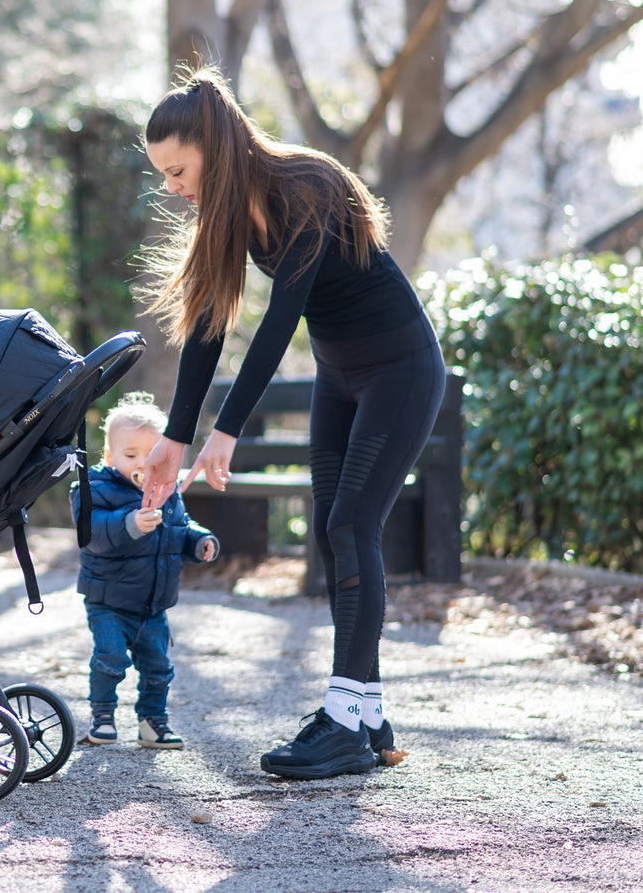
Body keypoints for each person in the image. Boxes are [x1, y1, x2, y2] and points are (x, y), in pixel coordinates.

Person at [135, 65, 446, 780]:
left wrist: (228, 429)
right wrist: (176, 438)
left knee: (349, 527)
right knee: (333, 536)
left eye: (178, 169)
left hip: (399, 371)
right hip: (339, 378)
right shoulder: (226, 218)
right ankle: (364, 717)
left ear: (214, 146)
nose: (172, 186)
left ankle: (339, 718)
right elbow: (207, 328)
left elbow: (280, 322)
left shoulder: (305, 185)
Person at [71, 391, 220, 749]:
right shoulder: (94, 489)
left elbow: (180, 528)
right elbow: (92, 534)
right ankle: (103, 717)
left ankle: (153, 722)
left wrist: (199, 542)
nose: (140, 462)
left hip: (153, 603)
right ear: (109, 457)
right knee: (110, 660)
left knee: (158, 668)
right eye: (130, 454)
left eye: (149, 455)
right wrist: (131, 524)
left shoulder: (168, 491)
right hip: (107, 600)